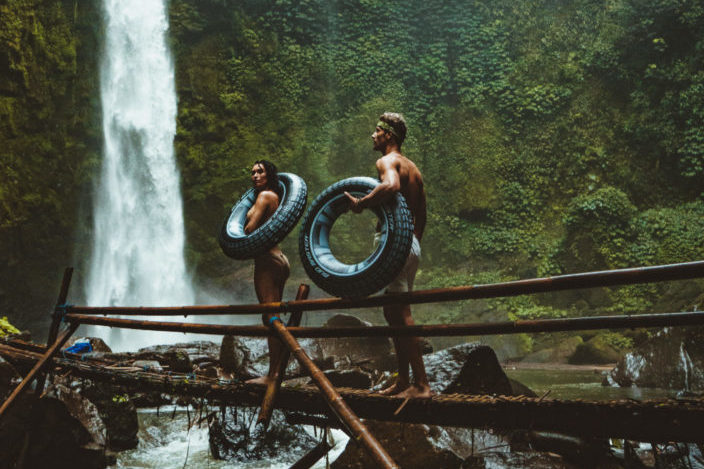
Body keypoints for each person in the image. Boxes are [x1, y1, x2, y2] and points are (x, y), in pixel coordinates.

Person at [344, 112, 433, 398]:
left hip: (396, 242)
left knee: (400, 311)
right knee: (392, 310)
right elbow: (422, 213)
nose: (373, 135)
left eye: (377, 131)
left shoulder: (387, 161)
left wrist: (361, 203)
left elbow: (391, 186)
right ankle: (404, 381)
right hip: (410, 244)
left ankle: (421, 385)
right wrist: (411, 241)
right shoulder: (414, 169)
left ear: (388, 136)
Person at [228, 160, 290, 386]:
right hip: (279, 259)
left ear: (269, 175)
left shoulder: (264, 197)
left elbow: (249, 230)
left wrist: (244, 221)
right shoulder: (274, 196)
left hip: (266, 261)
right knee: (274, 316)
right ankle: (276, 372)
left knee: (271, 318)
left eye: (260, 171)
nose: (254, 175)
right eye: (252, 172)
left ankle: (273, 375)